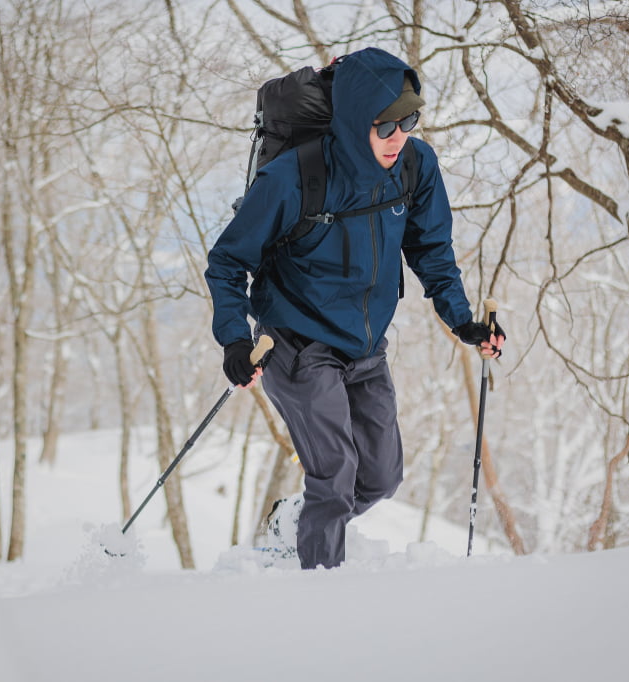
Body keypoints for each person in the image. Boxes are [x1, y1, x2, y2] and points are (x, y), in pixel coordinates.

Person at [205, 47, 505, 569]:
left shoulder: (414, 165)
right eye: (385, 125)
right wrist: (235, 339)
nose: (399, 137)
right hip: (296, 346)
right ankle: (323, 598)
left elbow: (431, 250)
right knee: (335, 477)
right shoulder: (295, 177)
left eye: (409, 120)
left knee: (382, 478)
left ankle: (298, 524)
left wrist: (464, 321)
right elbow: (228, 261)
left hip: (365, 348)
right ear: (351, 121)